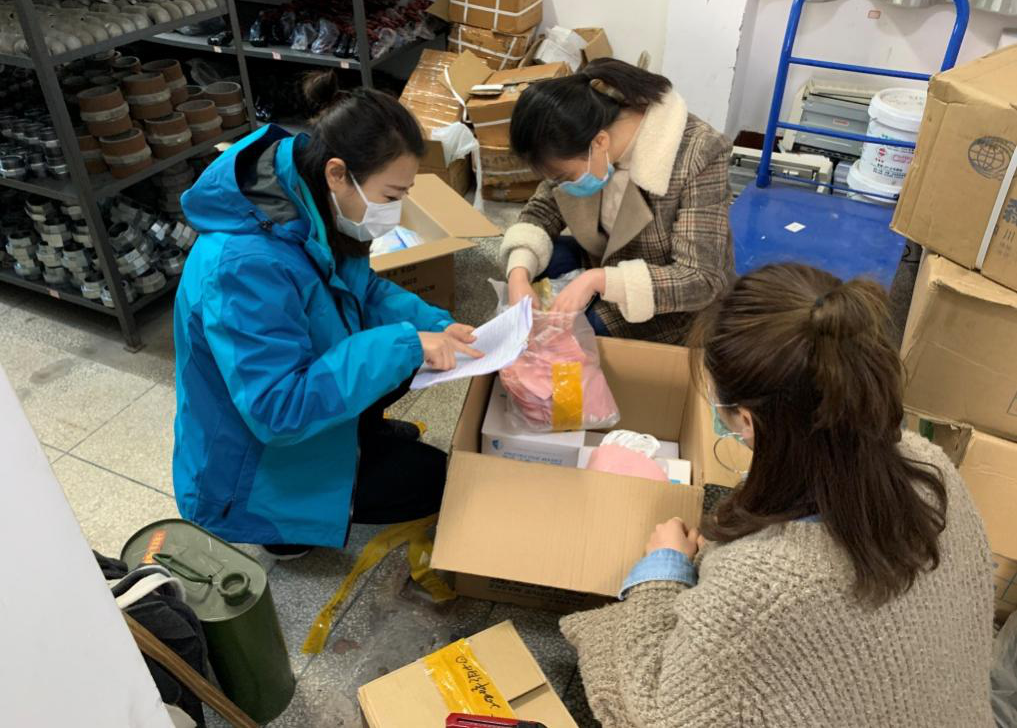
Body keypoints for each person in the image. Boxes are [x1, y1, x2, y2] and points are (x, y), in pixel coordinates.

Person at [561, 263, 995, 726]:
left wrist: (661, 575)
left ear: (747, 421)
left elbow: (661, 715)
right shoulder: (933, 469)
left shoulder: (762, 585)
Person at [172, 74, 481, 558]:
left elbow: (365, 291)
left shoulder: (309, 200)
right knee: (434, 481)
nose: (396, 212)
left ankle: (361, 437)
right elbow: (276, 410)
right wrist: (406, 343)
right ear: (338, 173)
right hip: (248, 469)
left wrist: (437, 326)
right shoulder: (244, 265)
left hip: (293, 400)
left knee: (407, 354)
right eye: (391, 196)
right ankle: (282, 530)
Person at [501, 58, 735, 344]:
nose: (559, 184)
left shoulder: (699, 153)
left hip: (669, 299)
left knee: (575, 336)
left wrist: (598, 281)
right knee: (534, 267)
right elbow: (541, 211)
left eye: (564, 177)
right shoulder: (579, 136)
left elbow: (700, 279)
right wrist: (519, 275)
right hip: (606, 261)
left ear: (599, 142)